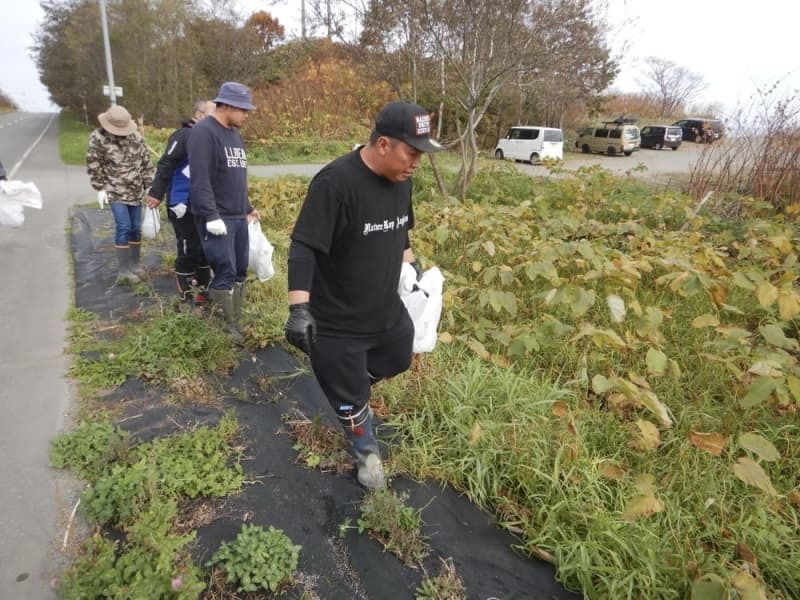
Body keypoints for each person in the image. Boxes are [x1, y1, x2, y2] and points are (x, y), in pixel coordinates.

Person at [284, 101, 442, 490]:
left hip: (385, 310)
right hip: (338, 320)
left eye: (422, 153)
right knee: (352, 399)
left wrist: (413, 271)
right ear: (384, 144)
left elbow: (401, 231)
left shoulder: (401, 182)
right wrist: (298, 309)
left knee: (400, 356)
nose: (417, 163)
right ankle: (366, 454)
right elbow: (304, 247)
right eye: (412, 152)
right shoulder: (335, 184)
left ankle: (352, 388)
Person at [188, 82, 260, 341]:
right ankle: (225, 327)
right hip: (217, 217)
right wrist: (210, 215)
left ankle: (235, 318)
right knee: (225, 270)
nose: (246, 115)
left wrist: (248, 206)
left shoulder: (234, 134)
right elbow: (200, 180)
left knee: (240, 269)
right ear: (227, 105)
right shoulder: (204, 133)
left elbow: (235, 177)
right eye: (243, 109)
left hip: (237, 215)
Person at [146, 100, 215, 305]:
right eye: (213, 114)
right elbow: (166, 163)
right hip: (182, 203)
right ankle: (185, 295)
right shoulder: (184, 135)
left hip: (204, 203)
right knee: (189, 248)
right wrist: (156, 193)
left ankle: (203, 292)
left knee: (205, 249)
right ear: (200, 115)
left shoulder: (210, 139)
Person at [86, 105, 154, 283]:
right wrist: (100, 188)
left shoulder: (136, 137)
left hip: (135, 189)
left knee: (135, 228)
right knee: (124, 226)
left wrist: (149, 186)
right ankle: (123, 270)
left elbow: (146, 163)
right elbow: (94, 164)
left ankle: (135, 264)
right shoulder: (98, 138)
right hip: (114, 189)